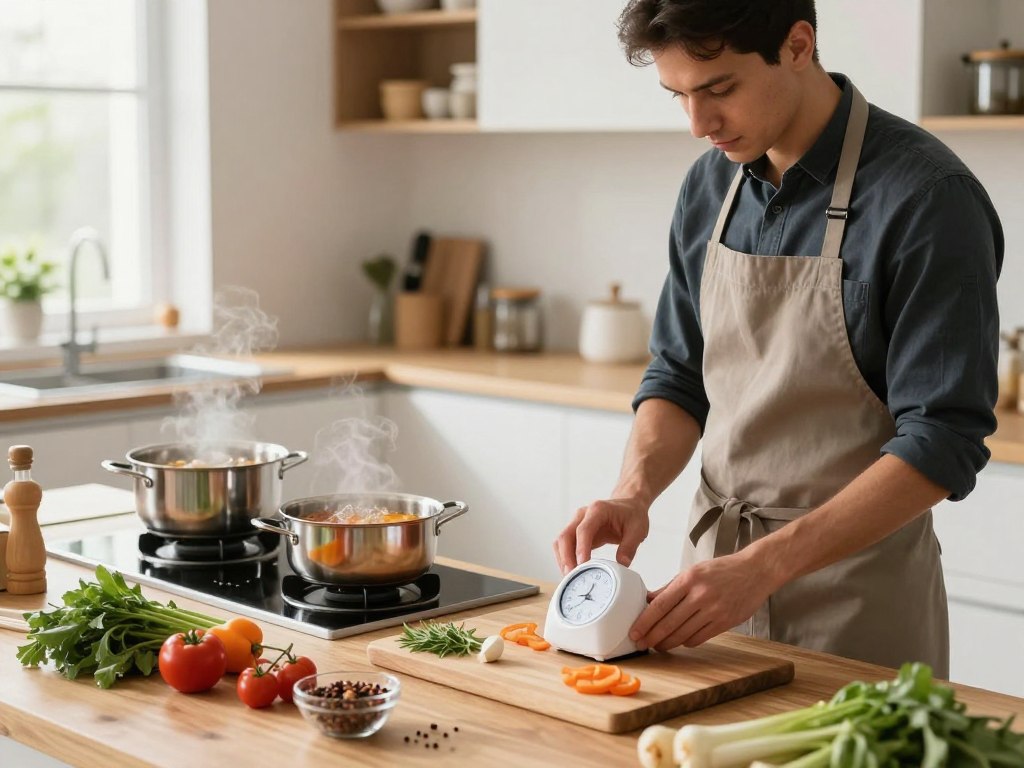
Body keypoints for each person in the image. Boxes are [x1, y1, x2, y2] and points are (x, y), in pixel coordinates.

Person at [553, 0, 1003, 678]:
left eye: (719, 89)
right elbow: (679, 374)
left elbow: (943, 440)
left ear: (798, 46)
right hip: (708, 589)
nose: (698, 124)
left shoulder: (927, 198)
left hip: (857, 600)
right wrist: (633, 491)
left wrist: (762, 567)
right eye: (678, 96)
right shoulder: (710, 183)